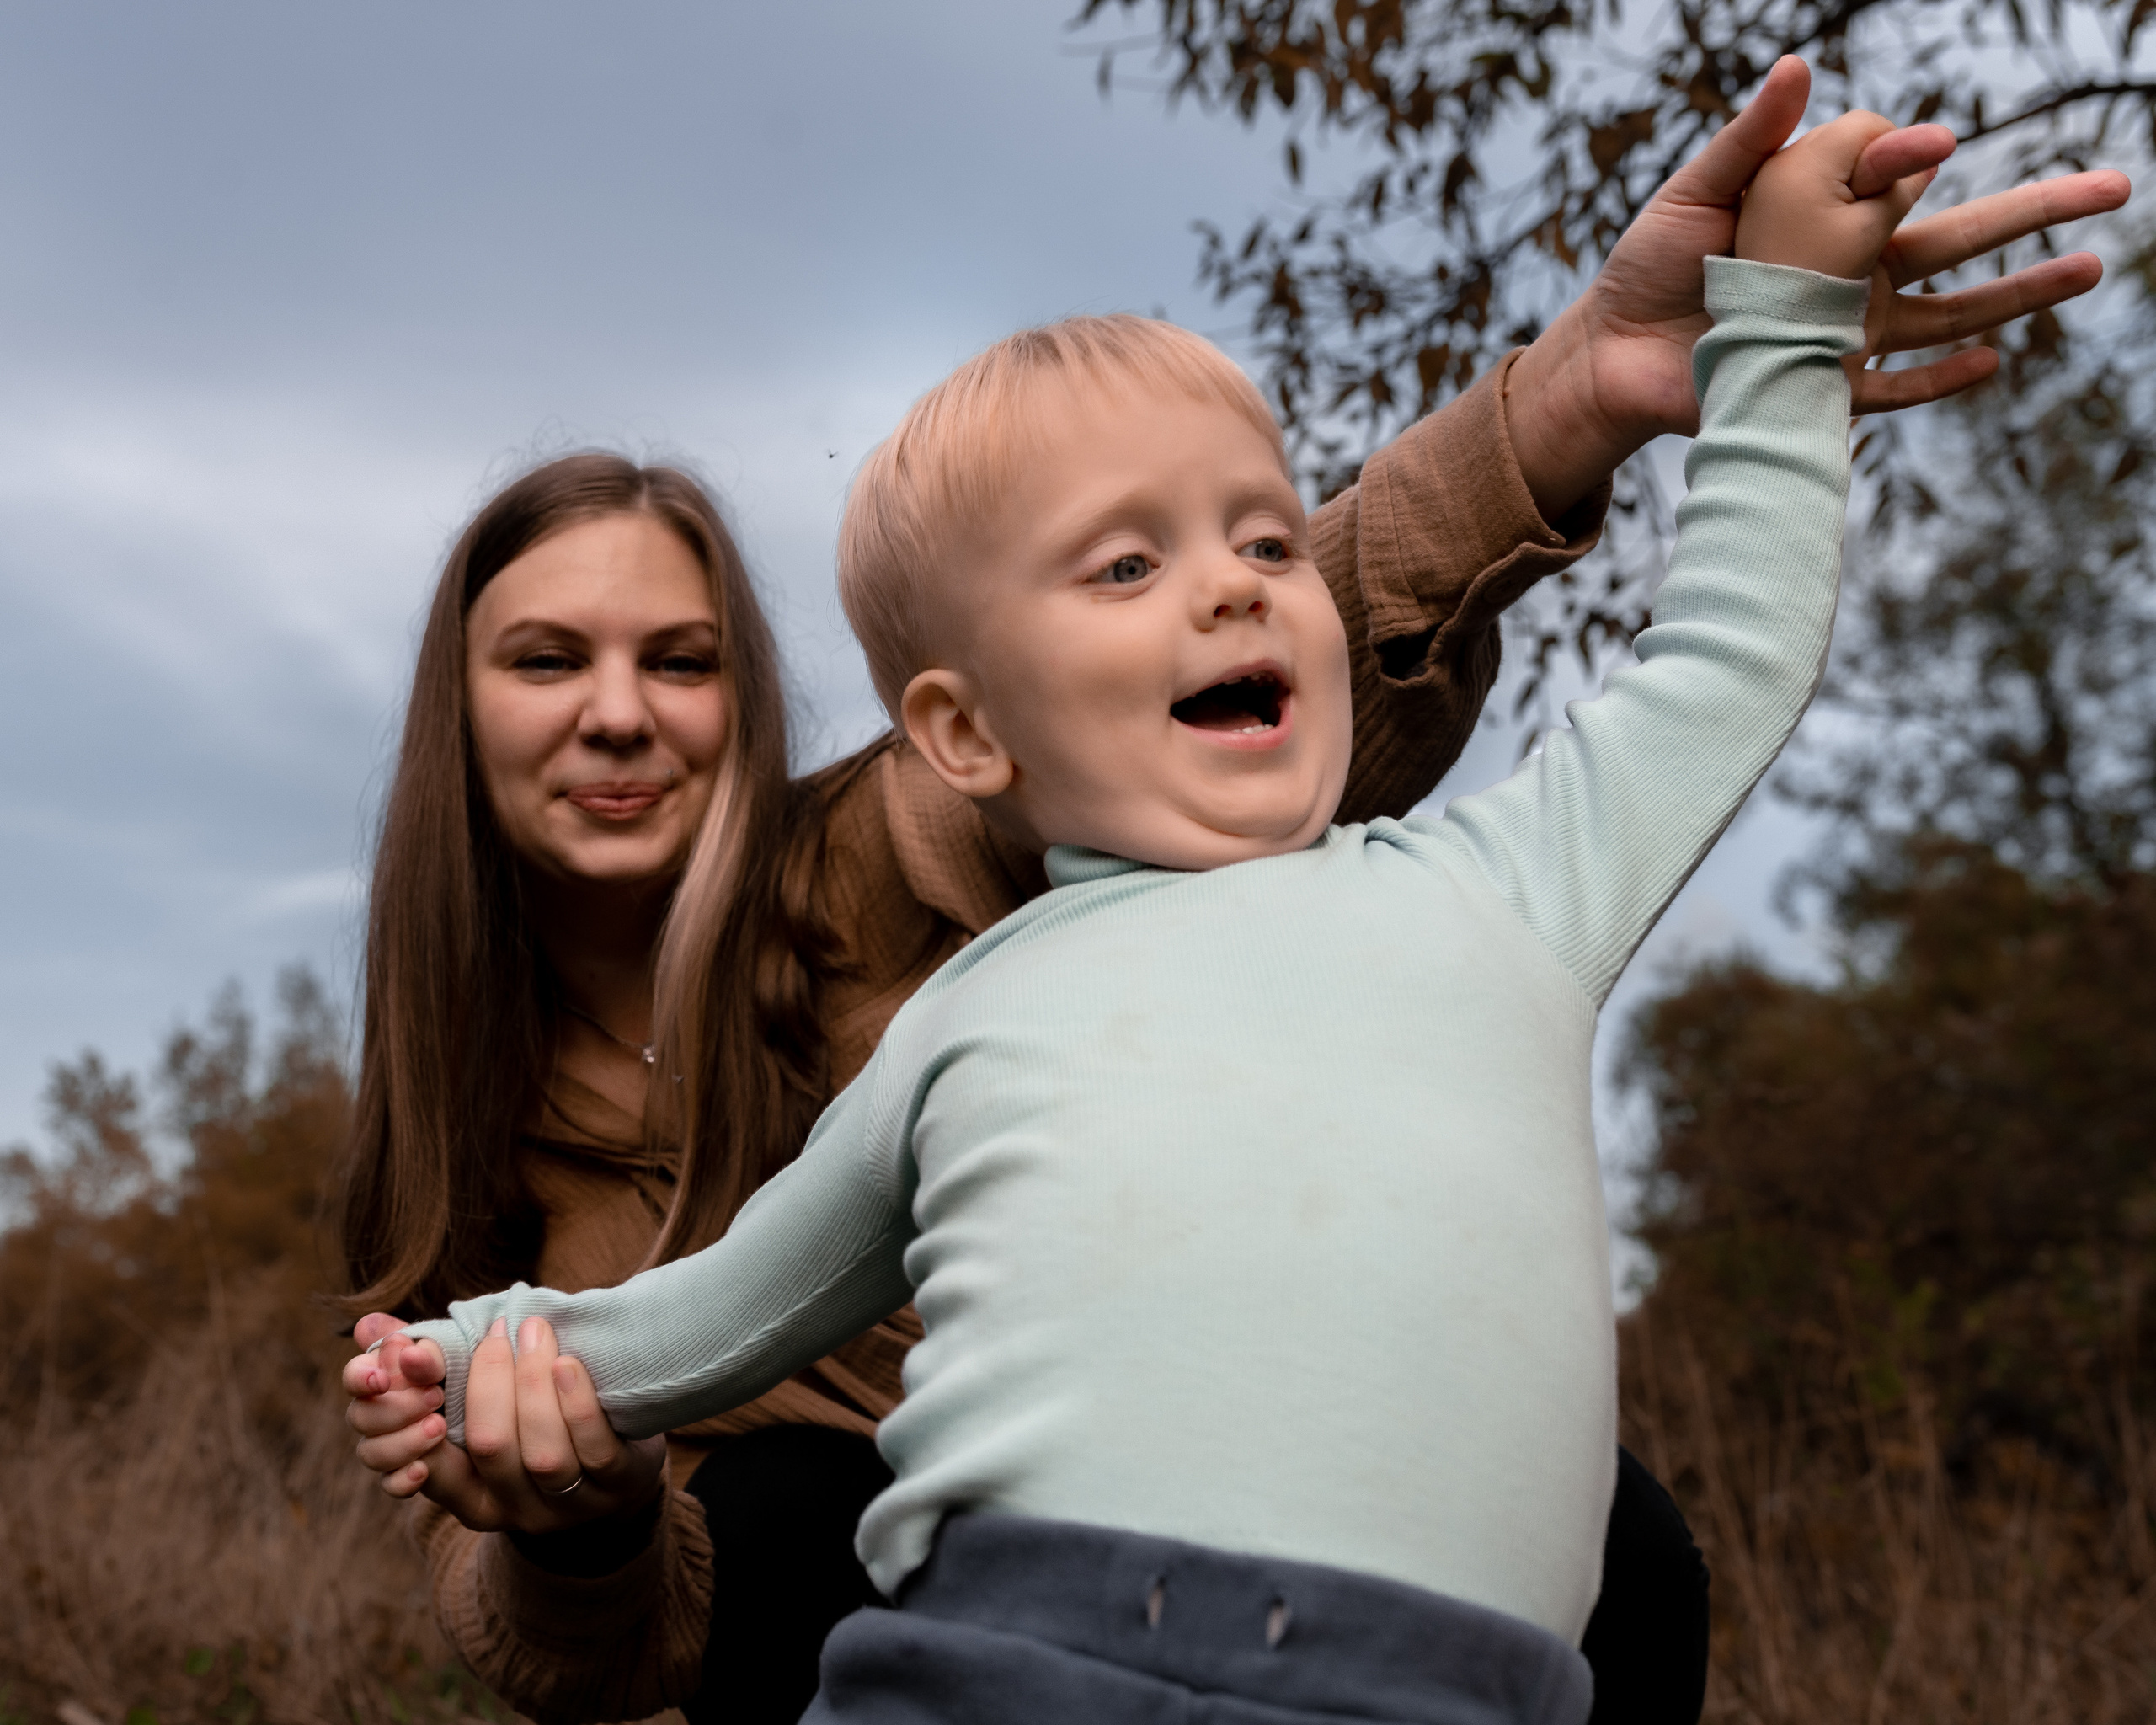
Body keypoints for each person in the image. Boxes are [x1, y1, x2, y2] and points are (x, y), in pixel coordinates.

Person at [339, 61, 2126, 1725]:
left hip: (1410, 1641)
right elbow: (727, 1310)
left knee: (1630, 1544)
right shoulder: (894, 1024)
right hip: (966, 1624)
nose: (618, 709)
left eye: (677, 656)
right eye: (547, 658)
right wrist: (508, 1386)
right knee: (788, 1509)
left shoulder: (1425, 885)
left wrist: (1703, 359)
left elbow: (1705, 658)